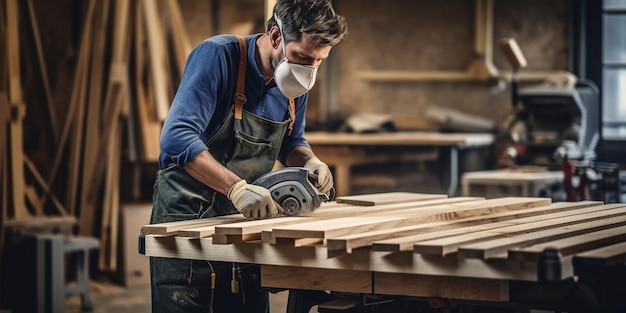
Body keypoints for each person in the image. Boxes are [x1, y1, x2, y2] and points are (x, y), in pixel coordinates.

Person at [149, 0, 348, 312]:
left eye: (318, 62)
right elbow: (176, 138)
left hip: (247, 220)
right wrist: (236, 187)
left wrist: (309, 161)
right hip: (189, 219)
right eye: (300, 57)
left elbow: (292, 141)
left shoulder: (297, 83)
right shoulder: (219, 56)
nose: (308, 70)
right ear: (275, 36)